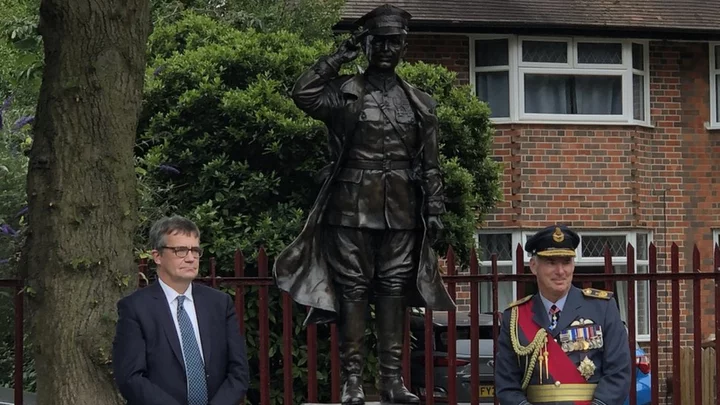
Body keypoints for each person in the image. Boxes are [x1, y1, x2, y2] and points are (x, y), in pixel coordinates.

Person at [272, 4, 455, 404]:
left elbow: (430, 162)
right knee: (353, 289)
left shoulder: (420, 101)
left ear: (404, 46)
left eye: (395, 41)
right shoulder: (344, 92)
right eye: (379, 41)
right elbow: (303, 92)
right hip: (351, 205)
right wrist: (338, 57)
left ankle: (391, 380)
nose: (387, 49)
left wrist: (436, 209)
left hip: (403, 209)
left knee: (393, 290)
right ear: (367, 44)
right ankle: (353, 380)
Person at [112, 215, 249, 405]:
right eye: (181, 250)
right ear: (157, 256)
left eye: (195, 250)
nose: (191, 258)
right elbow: (131, 378)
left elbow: (239, 372)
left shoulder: (219, 304)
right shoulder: (135, 308)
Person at [495, 224, 631, 405]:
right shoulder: (515, 317)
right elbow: (506, 384)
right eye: (551, 263)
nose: (560, 271)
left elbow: (618, 373)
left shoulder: (603, 308)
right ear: (534, 266)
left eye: (566, 262)